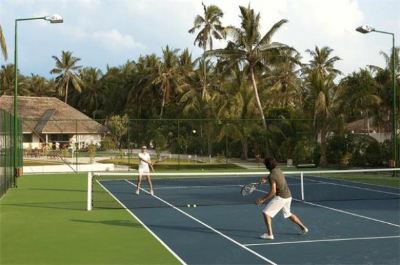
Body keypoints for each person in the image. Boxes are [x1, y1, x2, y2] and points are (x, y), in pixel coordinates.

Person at [256, 157, 309, 240]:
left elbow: (273, 191)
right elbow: (273, 176)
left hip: (281, 197)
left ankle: (270, 234)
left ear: (267, 166)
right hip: (288, 196)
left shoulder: (271, 176)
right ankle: (303, 228)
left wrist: (263, 199)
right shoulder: (278, 169)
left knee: (266, 213)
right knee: (288, 214)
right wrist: (266, 179)